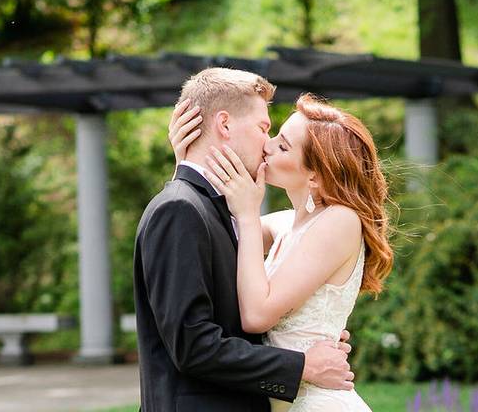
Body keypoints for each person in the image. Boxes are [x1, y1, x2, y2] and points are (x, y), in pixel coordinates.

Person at [134, 68, 355, 412]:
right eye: (263, 128)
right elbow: (193, 346)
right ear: (224, 125)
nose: (267, 144)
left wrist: (307, 338)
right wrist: (301, 366)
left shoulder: (217, 209)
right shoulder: (180, 209)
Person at [169, 84, 394, 411]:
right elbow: (205, 232)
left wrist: (248, 214)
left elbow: (257, 315)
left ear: (315, 176)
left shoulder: (340, 221)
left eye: (283, 146)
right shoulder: (286, 224)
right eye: (273, 134)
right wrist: (187, 161)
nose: (266, 146)